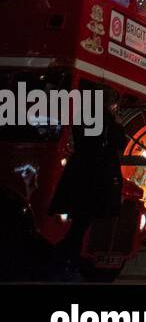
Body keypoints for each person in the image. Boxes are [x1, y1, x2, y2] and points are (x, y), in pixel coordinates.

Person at [48, 87, 127, 278]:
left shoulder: (83, 114)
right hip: (97, 177)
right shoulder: (106, 119)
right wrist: (117, 125)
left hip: (80, 173)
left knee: (80, 221)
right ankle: (65, 258)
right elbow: (118, 143)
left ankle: (67, 257)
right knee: (82, 223)